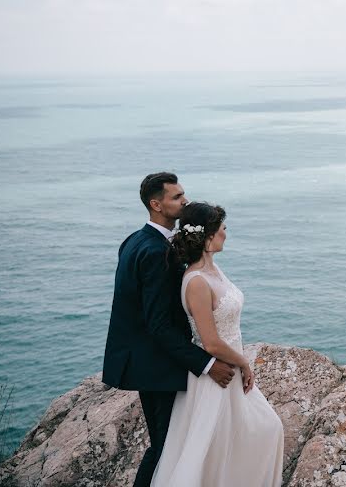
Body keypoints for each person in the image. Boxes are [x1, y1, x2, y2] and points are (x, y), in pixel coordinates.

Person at [102, 172, 236, 487]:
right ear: (156, 204)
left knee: (168, 444)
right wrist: (207, 364)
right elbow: (159, 325)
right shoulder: (154, 253)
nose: (185, 201)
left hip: (145, 361)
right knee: (165, 447)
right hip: (156, 367)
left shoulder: (136, 240)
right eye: (177, 197)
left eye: (183, 194)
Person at [151, 201, 284, 486]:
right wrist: (244, 362)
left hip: (231, 370)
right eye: (222, 227)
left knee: (264, 429)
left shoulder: (214, 269)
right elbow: (210, 342)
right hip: (215, 376)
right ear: (209, 237)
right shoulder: (197, 281)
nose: (226, 231)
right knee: (210, 451)